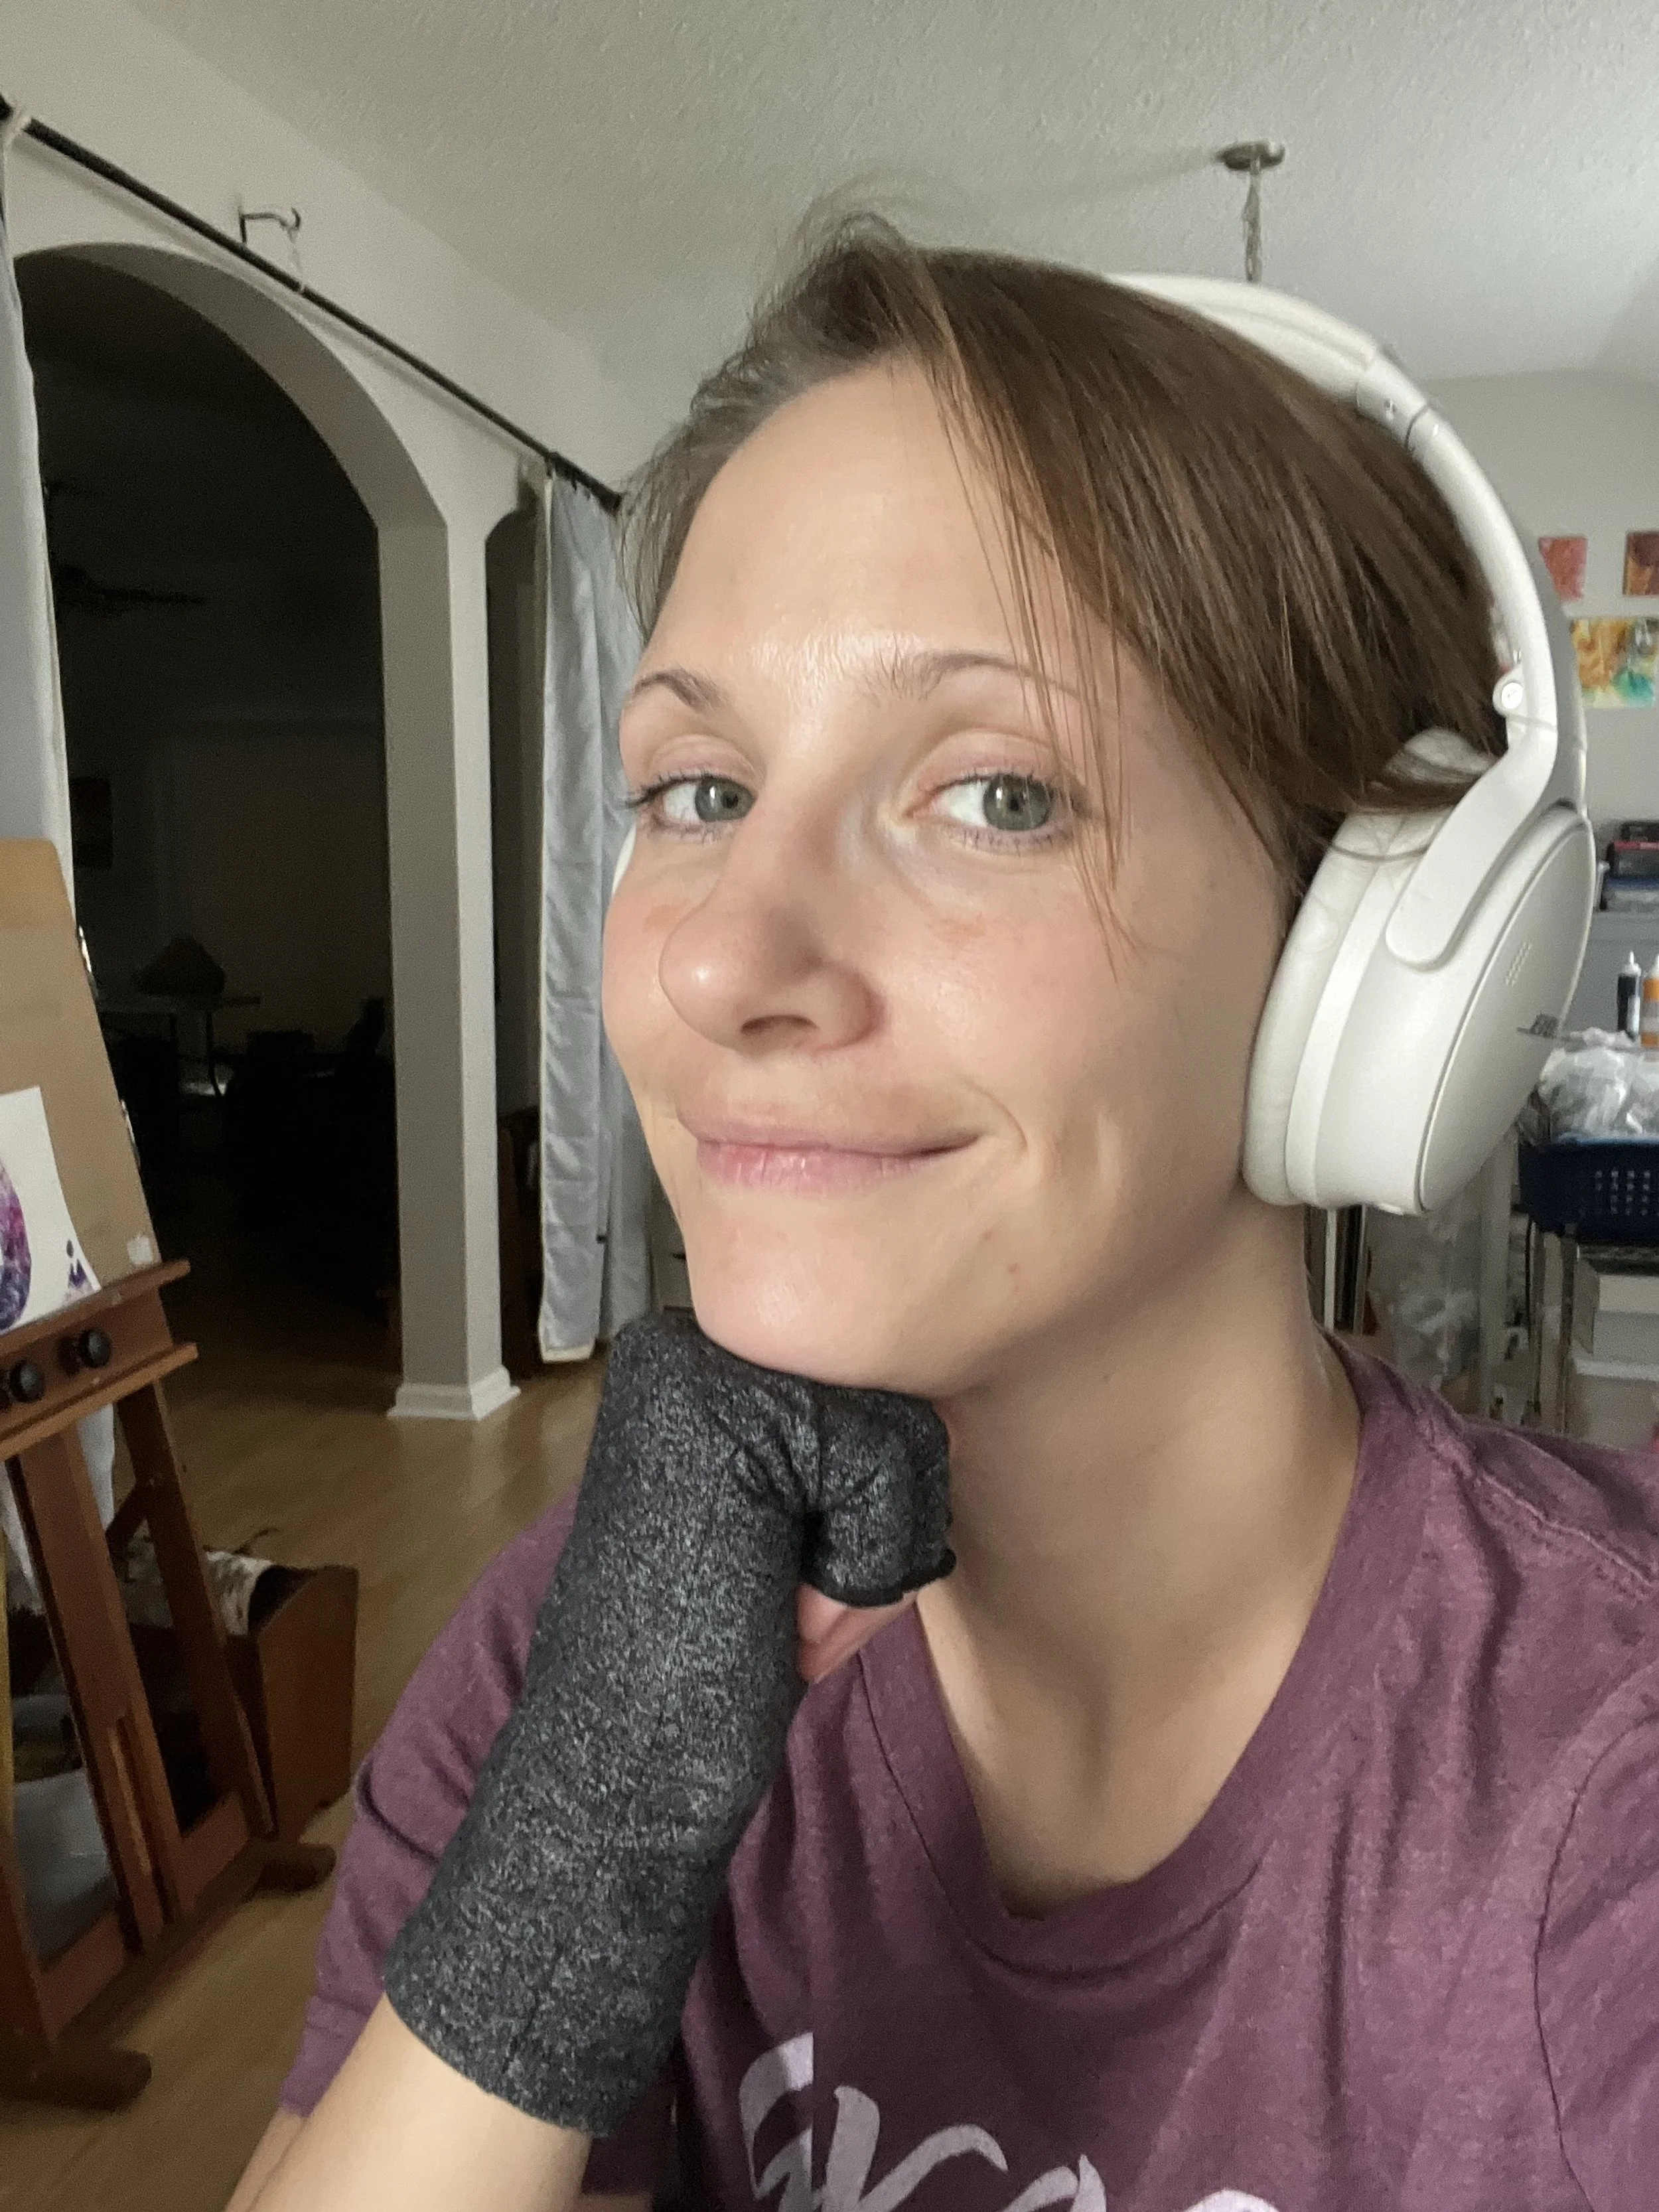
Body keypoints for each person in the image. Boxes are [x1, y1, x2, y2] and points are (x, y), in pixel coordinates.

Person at [234, 220, 1657, 2212]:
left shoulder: (1604, 1781)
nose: (726, 961)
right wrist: (577, 1861)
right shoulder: (593, 1658)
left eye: (998, 795)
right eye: (700, 790)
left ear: (1368, 952)